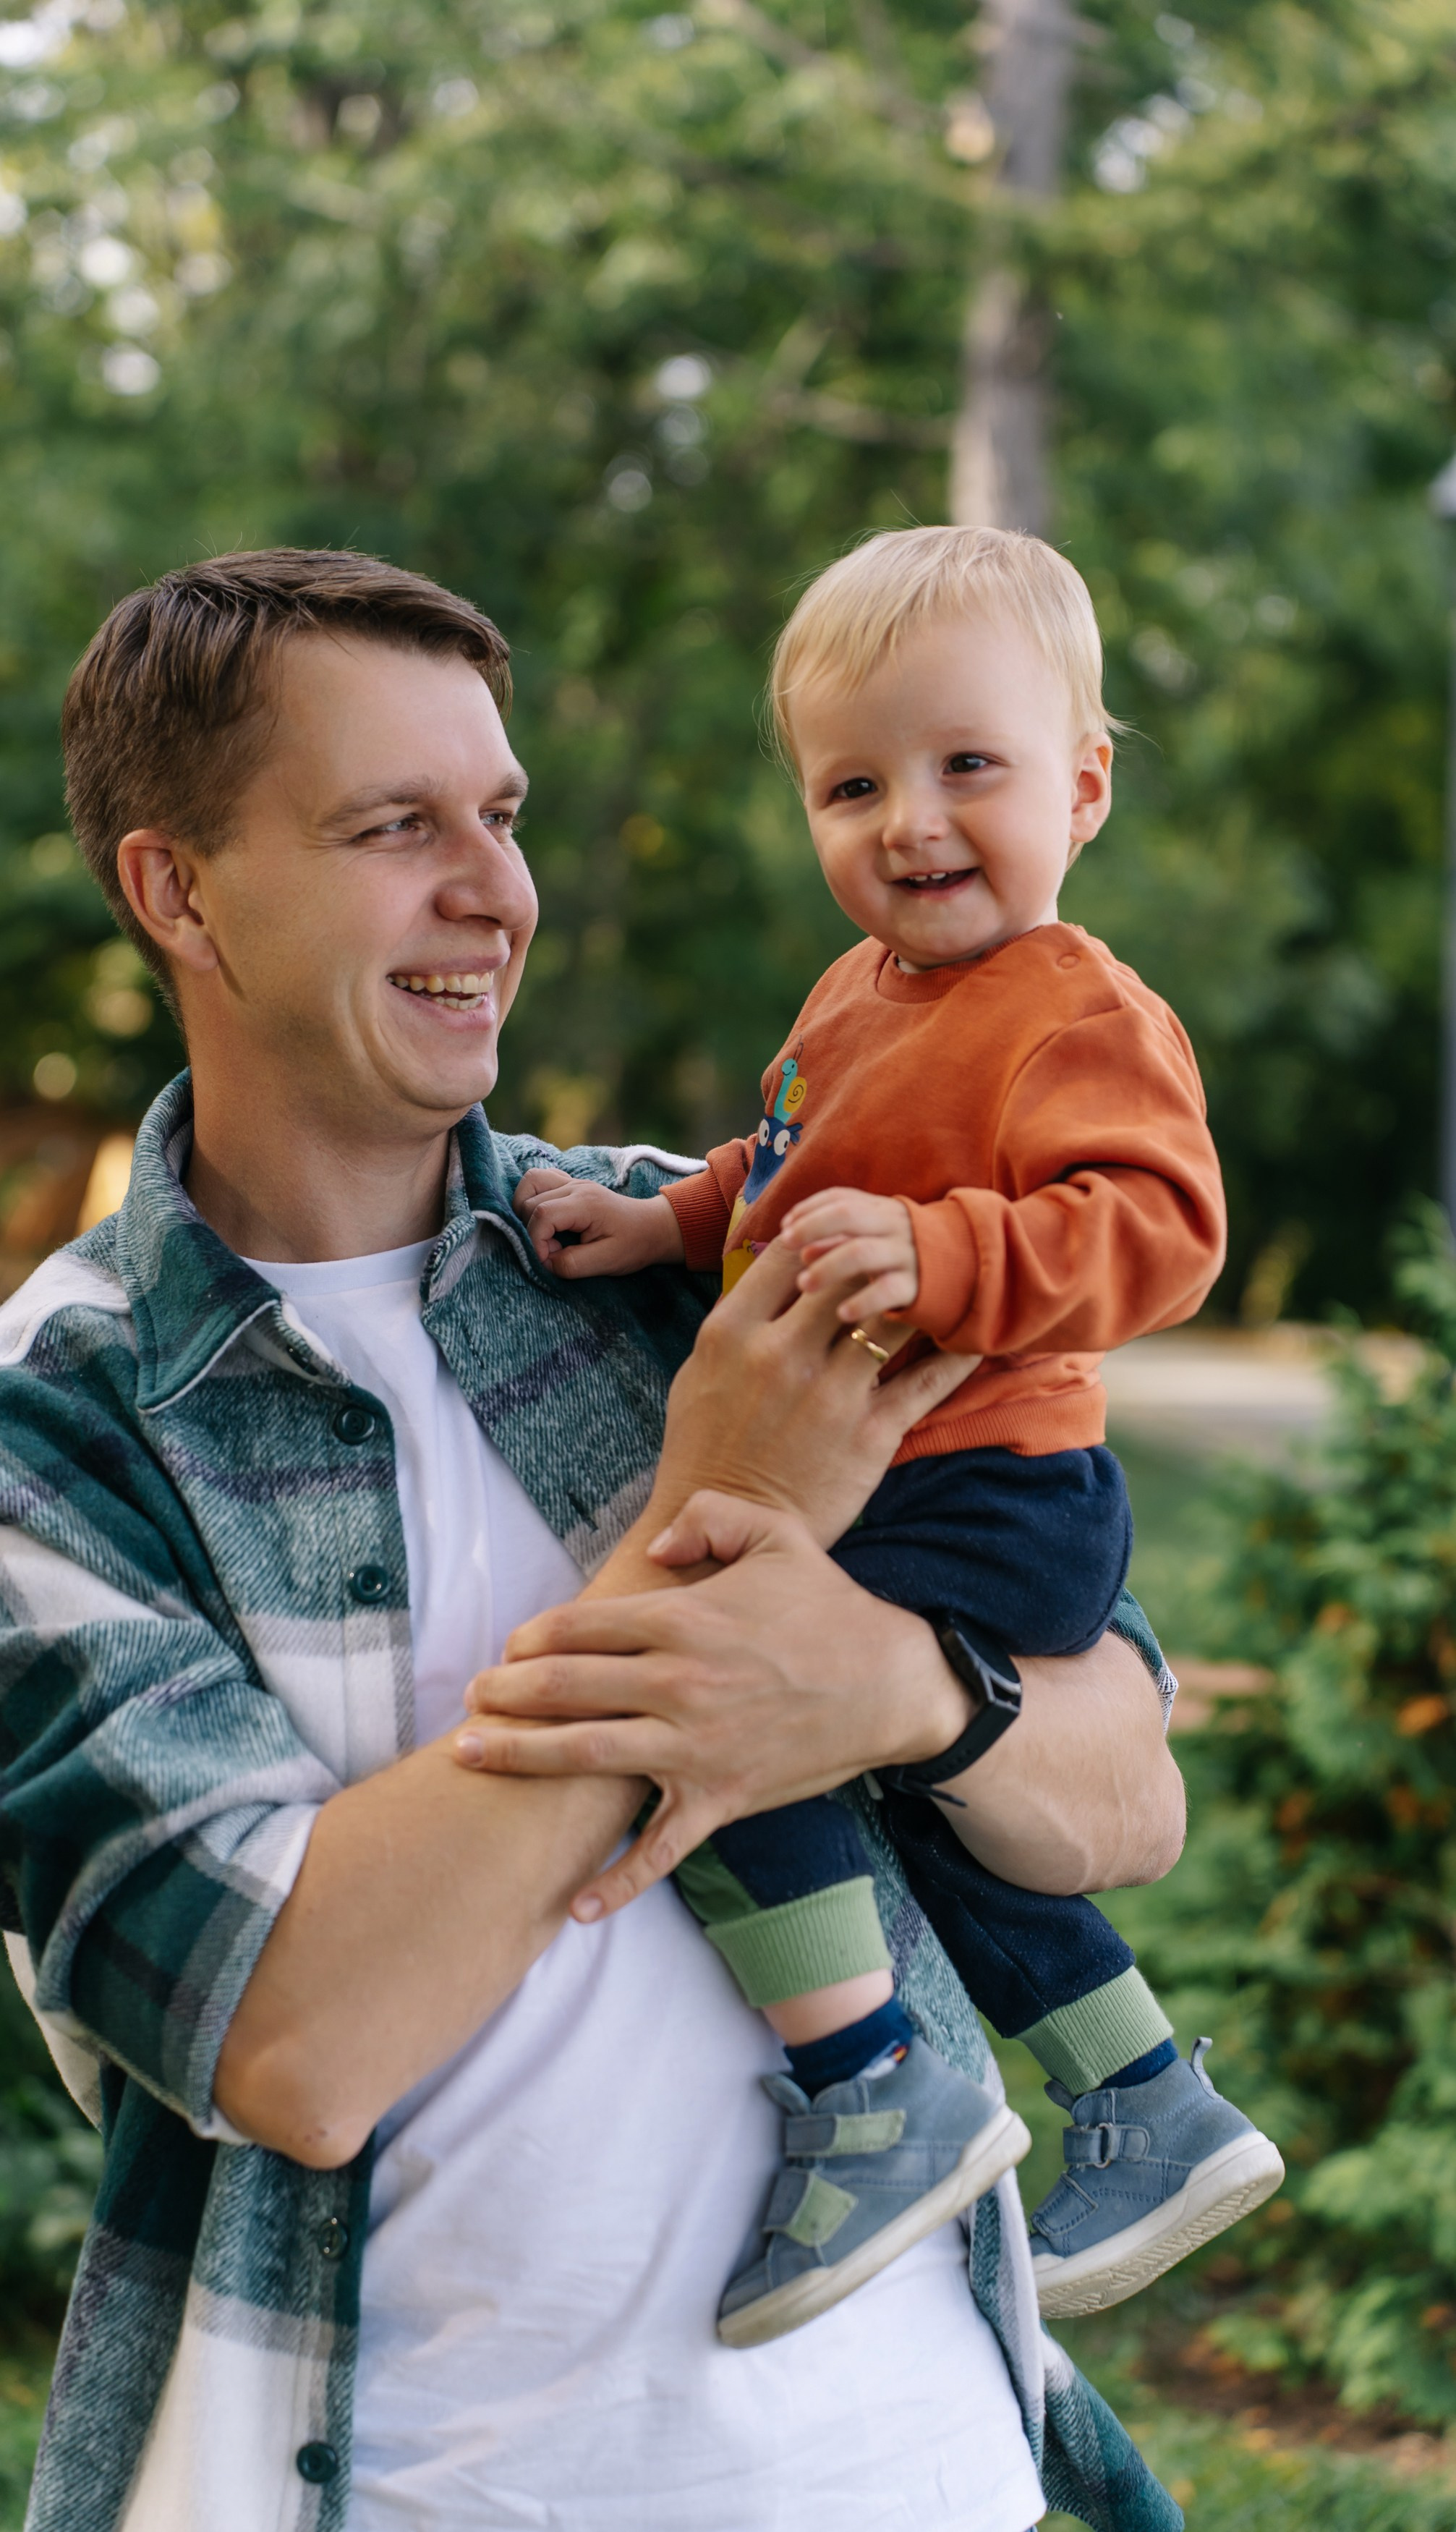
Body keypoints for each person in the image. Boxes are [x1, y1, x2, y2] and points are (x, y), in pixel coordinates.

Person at [0, 547, 1188, 2532]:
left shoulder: (696, 1256)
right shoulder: (34, 1439)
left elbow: (1121, 1795)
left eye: (497, 815)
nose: (492, 891)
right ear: (178, 889)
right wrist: (700, 1526)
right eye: (394, 827)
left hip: (918, 2467)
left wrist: (892, 1685)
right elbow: (292, 2031)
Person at [511, 525, 1283, 2342]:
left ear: (1082, 789)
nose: (911, 819)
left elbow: (1167, 1234)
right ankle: (1145, 2095)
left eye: (969, 767)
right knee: (911, 1799)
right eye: (854, 783)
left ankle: (869, 2083)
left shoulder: (1076, 1011)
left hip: (992, 1476)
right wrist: (673, 1220)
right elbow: (791, 1176)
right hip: (906, 1481)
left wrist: (952, 1254)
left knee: (711, 1698)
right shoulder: (857, 997)